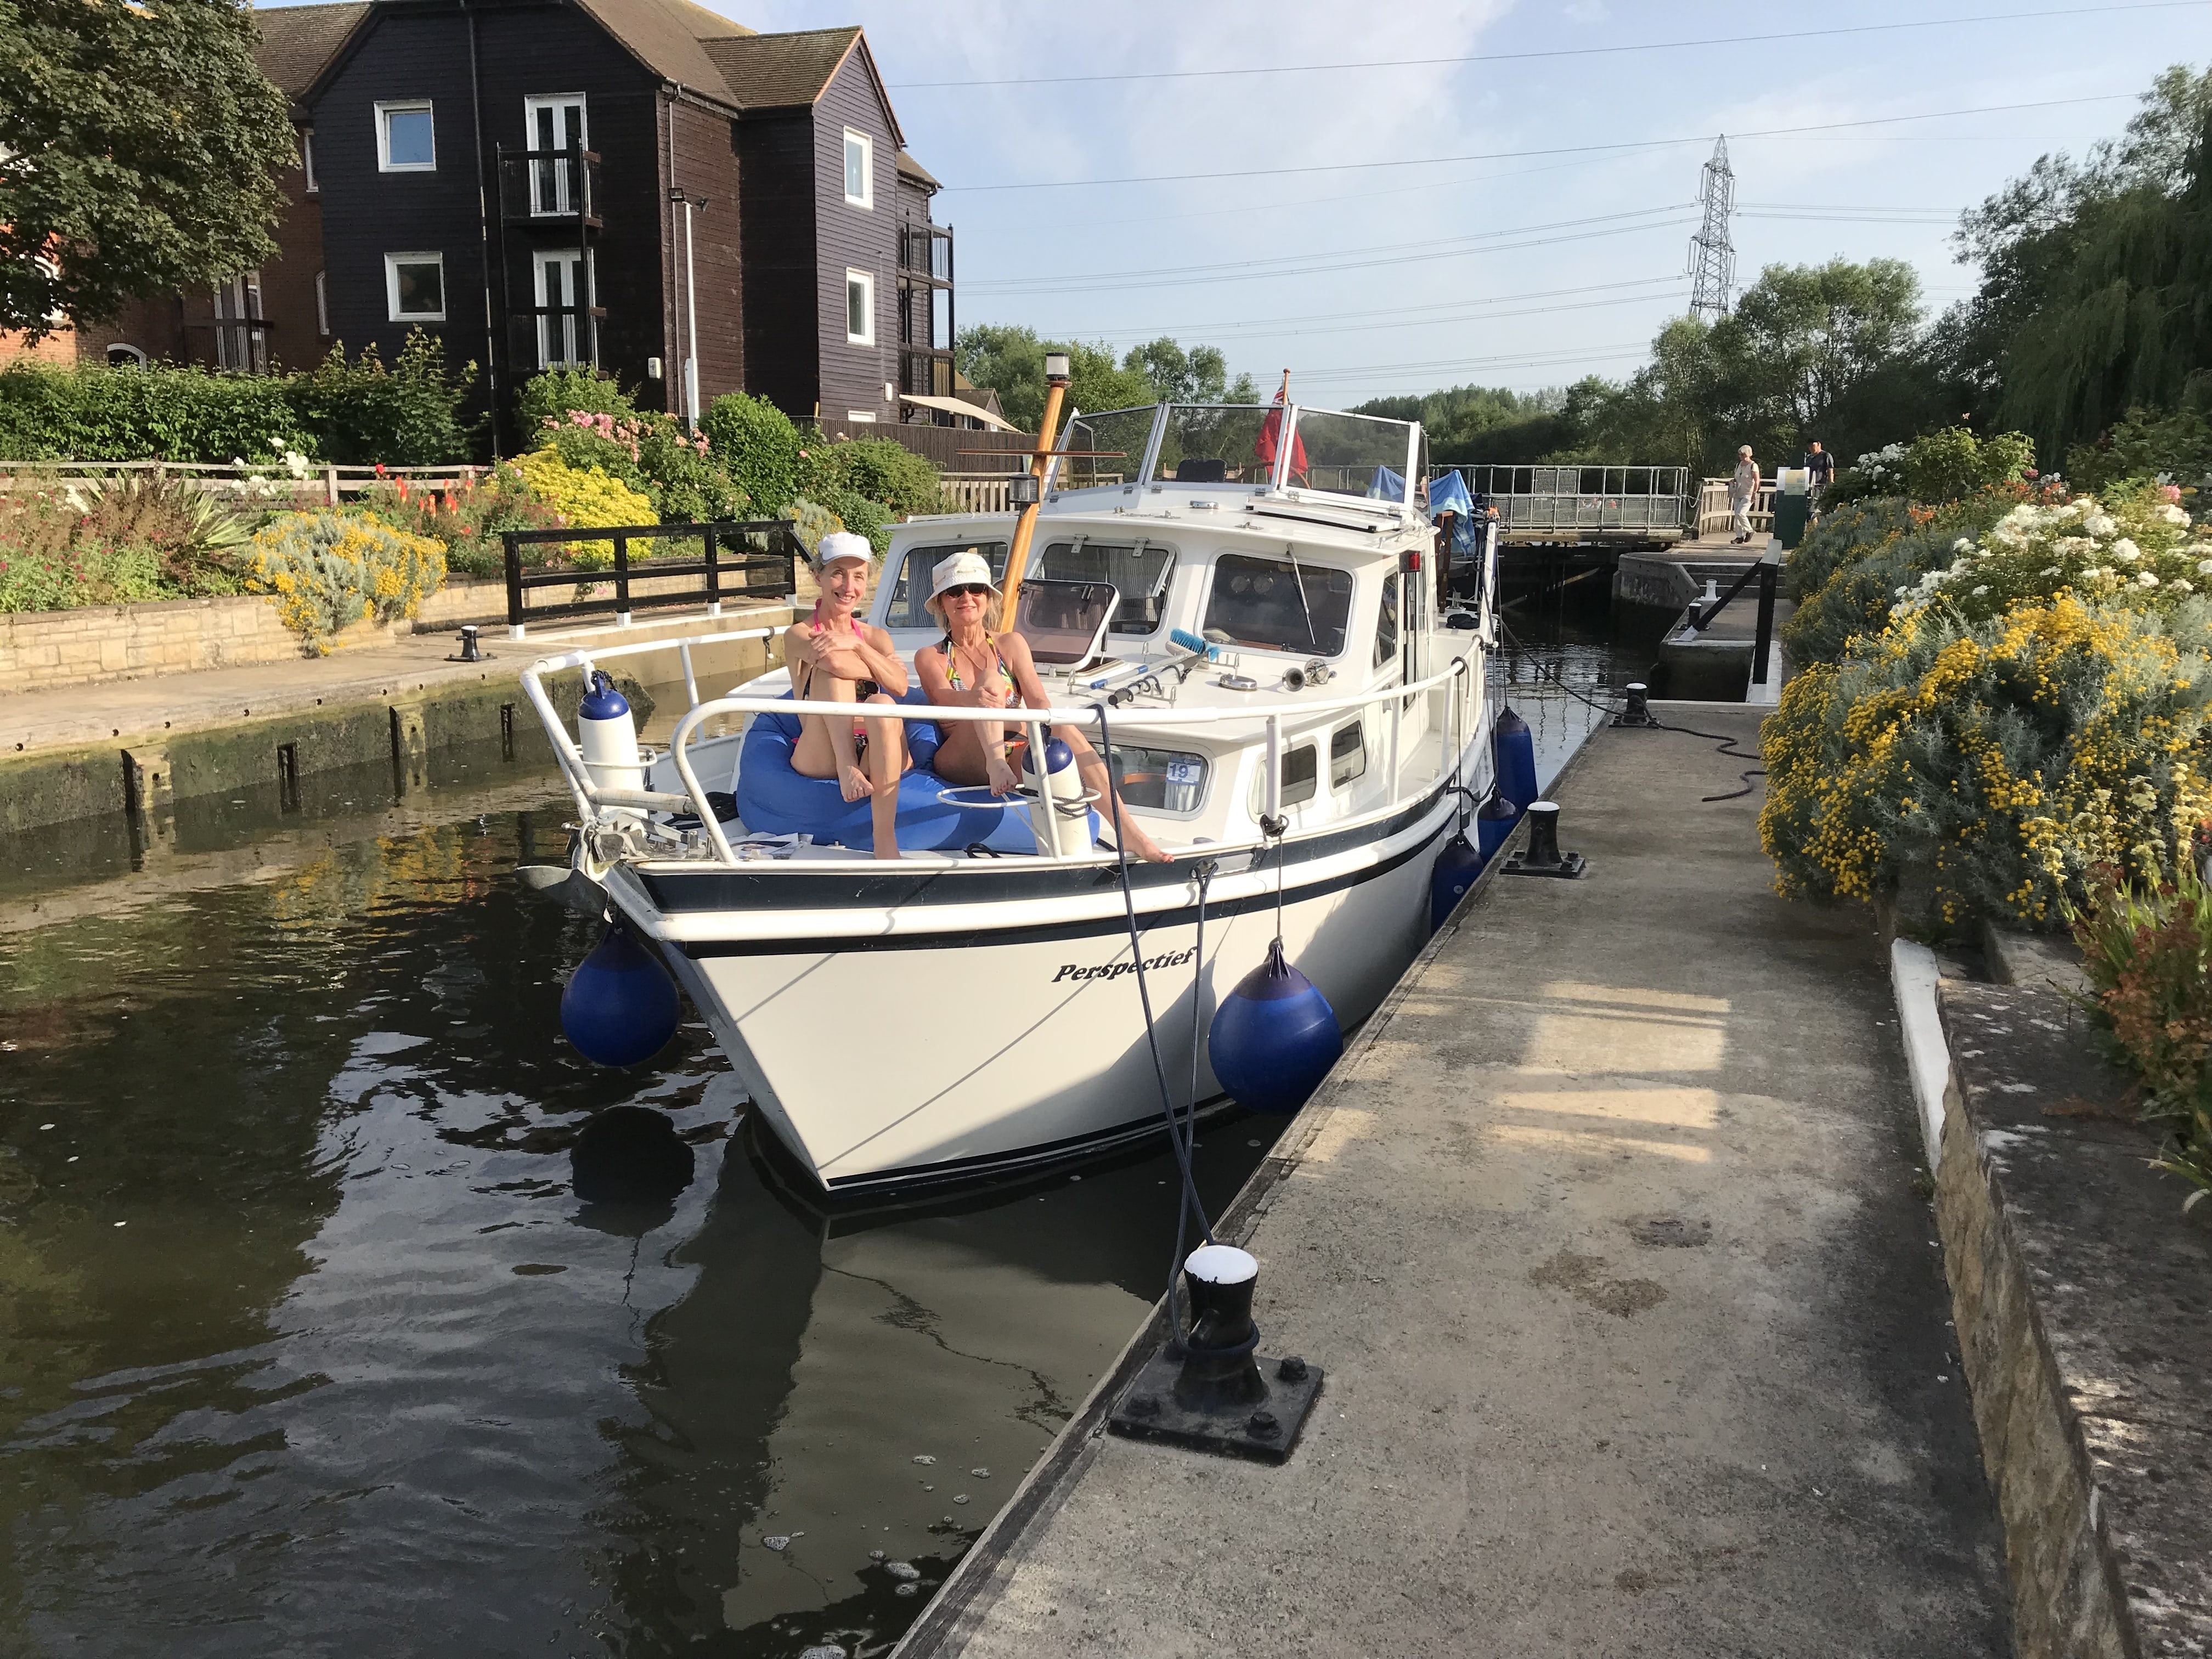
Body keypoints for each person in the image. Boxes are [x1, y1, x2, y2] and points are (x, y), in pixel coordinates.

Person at [915, 549, 1172, 864]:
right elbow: (943, 698)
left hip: (1011, 744)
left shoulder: (1010, 644)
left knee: (1065, 728)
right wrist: (985, 696)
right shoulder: (931, 656)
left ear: (987, 597)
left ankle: (1128, 831)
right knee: (991, 681)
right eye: (955, 591)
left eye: (976, 589)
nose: (966, 597)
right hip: (960, 756)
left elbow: (1038, 700)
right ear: (942, 602)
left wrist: (1026, 724)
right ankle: (995, 764)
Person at [782, 531, 910, 860]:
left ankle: (884, 839)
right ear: (818, 577)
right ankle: (846, 767)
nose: (848, 587)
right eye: (838, 573)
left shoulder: (874, 637)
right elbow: (836, 663)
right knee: (829, 672)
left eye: (858, 576)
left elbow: (900, 686)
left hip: (876, 744)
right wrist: (877, 665)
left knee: (882, 703)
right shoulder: (800, 634)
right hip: (823, 750)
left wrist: (856, 645)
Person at [1729, 444, 1760, 545]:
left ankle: (1750, 531)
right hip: (1738, 492)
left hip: (1748, 493)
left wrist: (1754, 494)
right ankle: (1739, 536)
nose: (1741, 456)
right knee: (1737, 515)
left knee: (1740, 513)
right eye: (1740, 455)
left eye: (1742, 454)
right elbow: (1738, 477)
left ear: (1747, 454)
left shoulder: (1753, 465)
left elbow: (1757, 480)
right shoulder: (1739, 465)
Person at [1805, 439, 1835, 512]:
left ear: (1819, 444)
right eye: (1809, 446)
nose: (1811, 448)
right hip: (1808, 487)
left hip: (1820, 486)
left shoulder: (1826, 456)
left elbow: (1830, 469)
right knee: (1808, 508)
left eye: (1813, 446)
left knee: (1815, 509)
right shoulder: (1809, 458)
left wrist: (1831, 484)